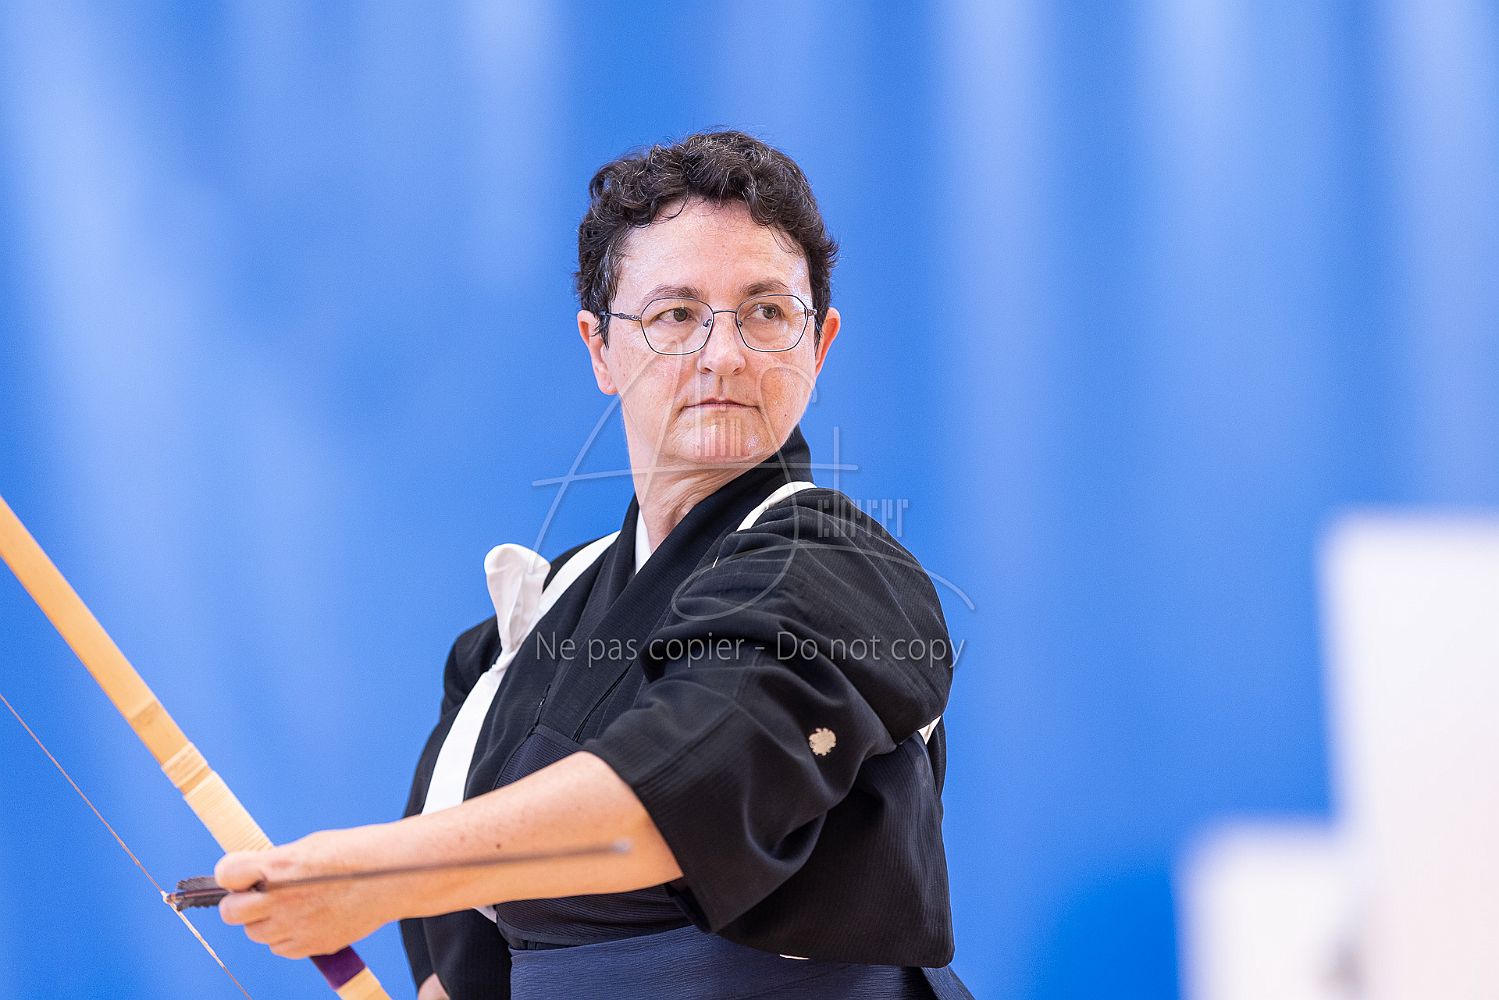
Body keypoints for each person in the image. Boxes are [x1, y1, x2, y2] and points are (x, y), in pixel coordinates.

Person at [215, 130, 973, 1000]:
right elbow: (464, 968)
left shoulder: (844, 571)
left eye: (766, 312)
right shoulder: (516, 635)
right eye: (674, 315)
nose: (723, 355)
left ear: (818, 343)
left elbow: (679, 794)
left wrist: (375, 875)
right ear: (600, 349)